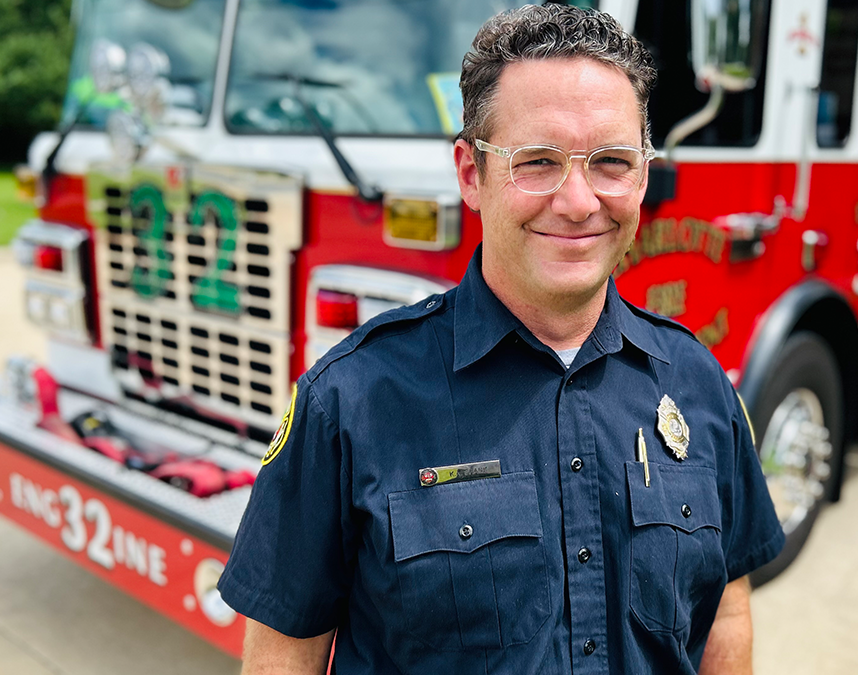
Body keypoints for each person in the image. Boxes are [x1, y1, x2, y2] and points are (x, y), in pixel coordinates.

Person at [218, 5, 784, 674]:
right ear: (469, 174)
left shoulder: (699, 383)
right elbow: (284, 651)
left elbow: (726, 610)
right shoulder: (349, 401)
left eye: (610, 161)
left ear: (642, 175)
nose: (578, 202)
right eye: (538, 161)